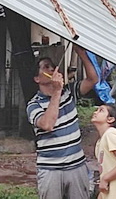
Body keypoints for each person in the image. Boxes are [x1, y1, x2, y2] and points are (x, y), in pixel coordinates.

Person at [26, 44, 98, 199]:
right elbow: (47, 124)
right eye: (46, 67)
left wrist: (81, 53)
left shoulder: (69, 92)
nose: (52, 69)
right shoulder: (34, 105)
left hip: (76, 165)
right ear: (37, 78)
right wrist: (57, 91)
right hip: (51, 169)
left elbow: (93, 79)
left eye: (52, 66)